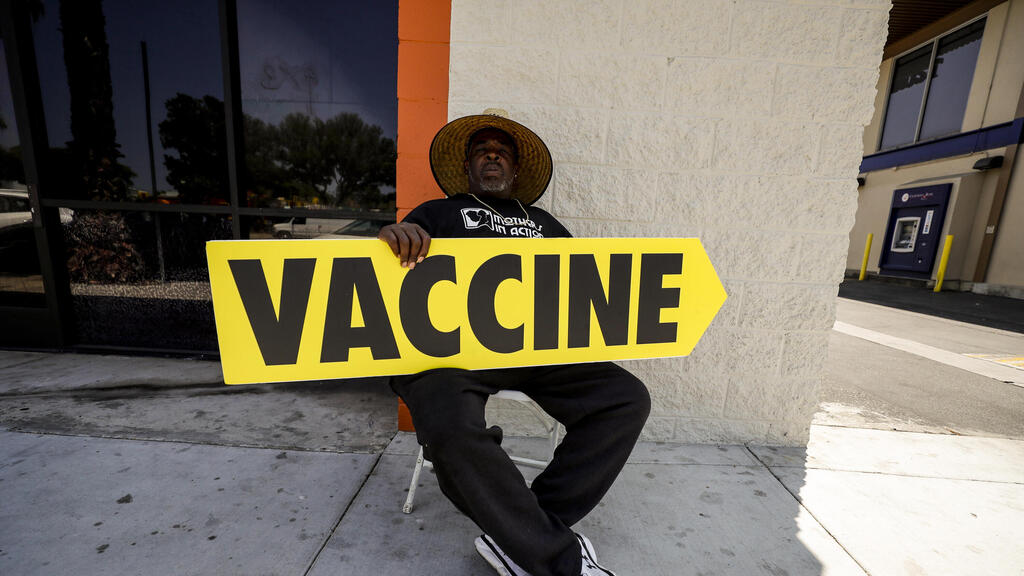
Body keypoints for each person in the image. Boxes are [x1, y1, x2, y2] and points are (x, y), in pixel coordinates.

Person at [378, 110, 651, 576]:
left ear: (515, 170)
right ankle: (551, 555)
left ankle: (518, 531)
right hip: (451, 354)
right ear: (467, 168)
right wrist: (391, 236)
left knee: (626, 399)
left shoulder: (542, 222)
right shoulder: (439, 212)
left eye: (501, 151)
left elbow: (576, 284)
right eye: (482, 150)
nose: (492, 156)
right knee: (448, 428)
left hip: (534, 348)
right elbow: (387, 265)